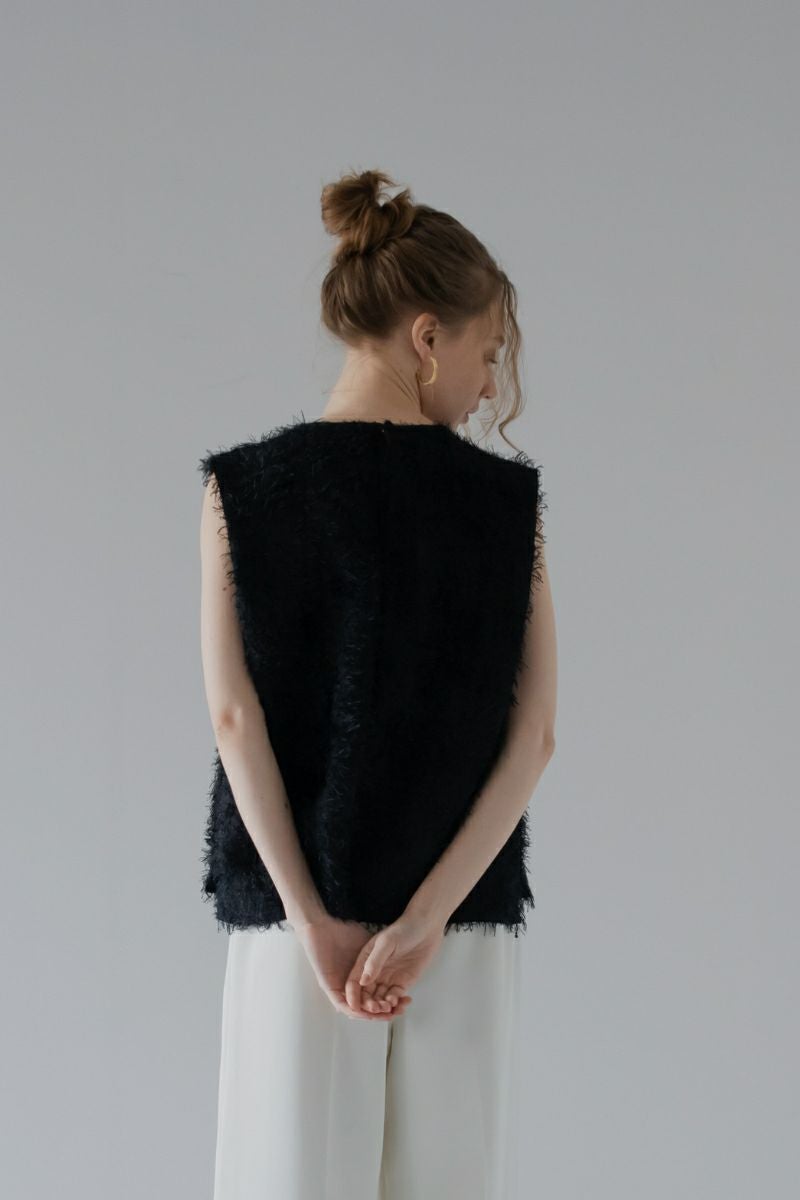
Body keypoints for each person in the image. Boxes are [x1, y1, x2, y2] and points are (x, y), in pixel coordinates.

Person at [198, 168, 557, 1200]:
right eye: (489, 353)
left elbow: (234, 718)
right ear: (427, 336)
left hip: (293, 923)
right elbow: (534, 735)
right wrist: (424, 921)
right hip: (458, 926)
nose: (488, 386)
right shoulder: (505, 506)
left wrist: (312, 920)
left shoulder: (240, 493)